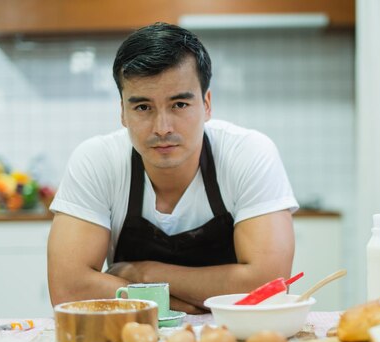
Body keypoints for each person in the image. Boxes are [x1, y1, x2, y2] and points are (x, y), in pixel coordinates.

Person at [47, 22, 298, 313]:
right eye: (143, 107)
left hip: (236, 339)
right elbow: (69, 290)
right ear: (122, 112)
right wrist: (184, 307)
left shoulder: (248, 153)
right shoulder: (97, 161)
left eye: (179, 104)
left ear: (206, 105)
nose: (162, 128)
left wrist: (146, 274)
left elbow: (269, 285)